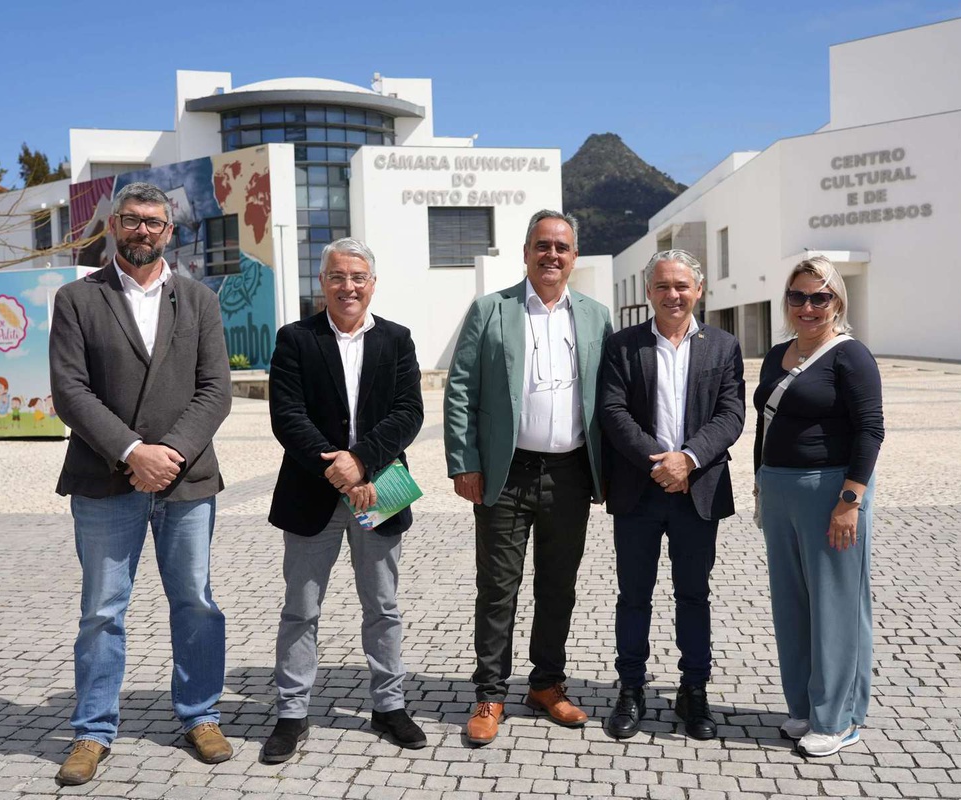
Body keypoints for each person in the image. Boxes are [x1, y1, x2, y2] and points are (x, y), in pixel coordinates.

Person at [49, 182, 233, 786]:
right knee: (102, 610)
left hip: (186, 481)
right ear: (113, 226)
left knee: (196, 603)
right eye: (131, 221)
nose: (143, 231)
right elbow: (71, 391)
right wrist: (132, 452)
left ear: (170, 232)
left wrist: (169, 453)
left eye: (154, 223)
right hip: (105, 481)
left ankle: (200, 715)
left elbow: (216, 390)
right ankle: (92, 731)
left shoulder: (201, 300)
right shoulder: (77, 299)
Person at [444, 209, 613, 745]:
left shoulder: (594, 315)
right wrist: (463, 460)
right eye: (542, 245)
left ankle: (546, 684)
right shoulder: (491, 311)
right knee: (498, 588)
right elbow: (461, 388)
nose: (552, 255)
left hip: (570, 474)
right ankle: (490, 693)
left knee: (558, 587)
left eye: (562, 247)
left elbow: (609, 396)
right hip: (507, 472)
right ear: (525, 252)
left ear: (574, 258)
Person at [263, 237, 426, 763]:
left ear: (372, 283)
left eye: (358, 277)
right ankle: (291, 713)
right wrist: (335, 465)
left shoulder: (397, 340)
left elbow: (409, 413)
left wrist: (362, 461)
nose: (348, 286)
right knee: (301, 609)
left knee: (382, 606)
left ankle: (389, 705)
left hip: (380, 488)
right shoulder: (295, 339)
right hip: (312, 492)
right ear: (323, 282)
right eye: (337, 276)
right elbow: (287, 416)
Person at [598, 250, 745, 740]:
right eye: (662, 286)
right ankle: (631, 689)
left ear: (698, 290)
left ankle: (693, 692)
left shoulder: (723, 346)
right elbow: (613, 412)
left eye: (682, 286)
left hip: (696, 491)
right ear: (648, 292)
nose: (672, 295)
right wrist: (658, 463)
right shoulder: (622, 345)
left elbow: (731, 415)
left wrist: (689, 459)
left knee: (693, 596)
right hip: (640, 492)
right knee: (633, 596)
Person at [753, 255, 884, 758]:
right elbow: (766, 424)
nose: (807, 307)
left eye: (819, 297)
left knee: (837, 608)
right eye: (798, 297)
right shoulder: (776, 354)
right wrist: (761, 485)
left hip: (831, 491)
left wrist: (850, 500)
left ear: (837, 302)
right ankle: (807, 708)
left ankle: (841, 719)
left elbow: (871, 430)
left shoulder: (851, 356)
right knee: (792, 607)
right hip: (780, 489)